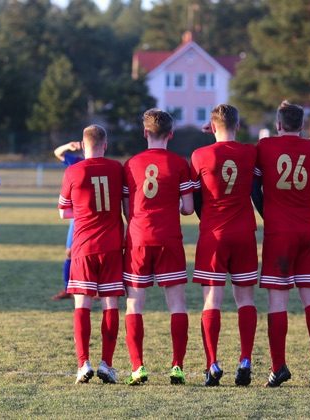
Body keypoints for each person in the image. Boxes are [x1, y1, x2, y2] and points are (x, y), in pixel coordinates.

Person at [251, 101, 310, 387]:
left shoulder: (266, 147)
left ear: (279, 124)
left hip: (279, 232)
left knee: (277, 300)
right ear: (303, 125)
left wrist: (266, 213)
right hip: (309, 229)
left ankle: (278, 366)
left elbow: (253, 188)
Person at [122, 108, 194, 385]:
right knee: (176, 304)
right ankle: (177, 366)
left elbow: (128, 208)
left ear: (144, 133)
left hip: (139, 238)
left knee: (134, 305)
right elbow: (188, 208)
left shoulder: (130, 164)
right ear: (171, 134)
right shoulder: (179, 164)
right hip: (169, 238)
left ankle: (138, 367)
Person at [190, 104, 258, 387]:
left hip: (214, 234)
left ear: (212, 126)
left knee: (212, 301)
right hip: (244, 232)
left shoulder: (199, 155)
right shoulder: (251, 153)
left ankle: (213, 364)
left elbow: (194, 198)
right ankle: (245, 360)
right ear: (239, 126)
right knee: (246, 300)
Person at [57, 125, 124, 384]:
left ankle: (83, 363)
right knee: (110, 304)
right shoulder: (118, 169)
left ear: (83, 145)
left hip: (83, 246)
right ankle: (106, 364)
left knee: (81, 305)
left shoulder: (74, 170)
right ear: (105, 145)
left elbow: (63, 212)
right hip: (112, 245)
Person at [52, 141, 84, 300]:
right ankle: (68, 289)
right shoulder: (78, 162)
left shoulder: (105, 165)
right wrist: (68, 146)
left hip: (98, 218)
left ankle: (100, 289)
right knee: (70, 252)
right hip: (78, 217)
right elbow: (58, 152)